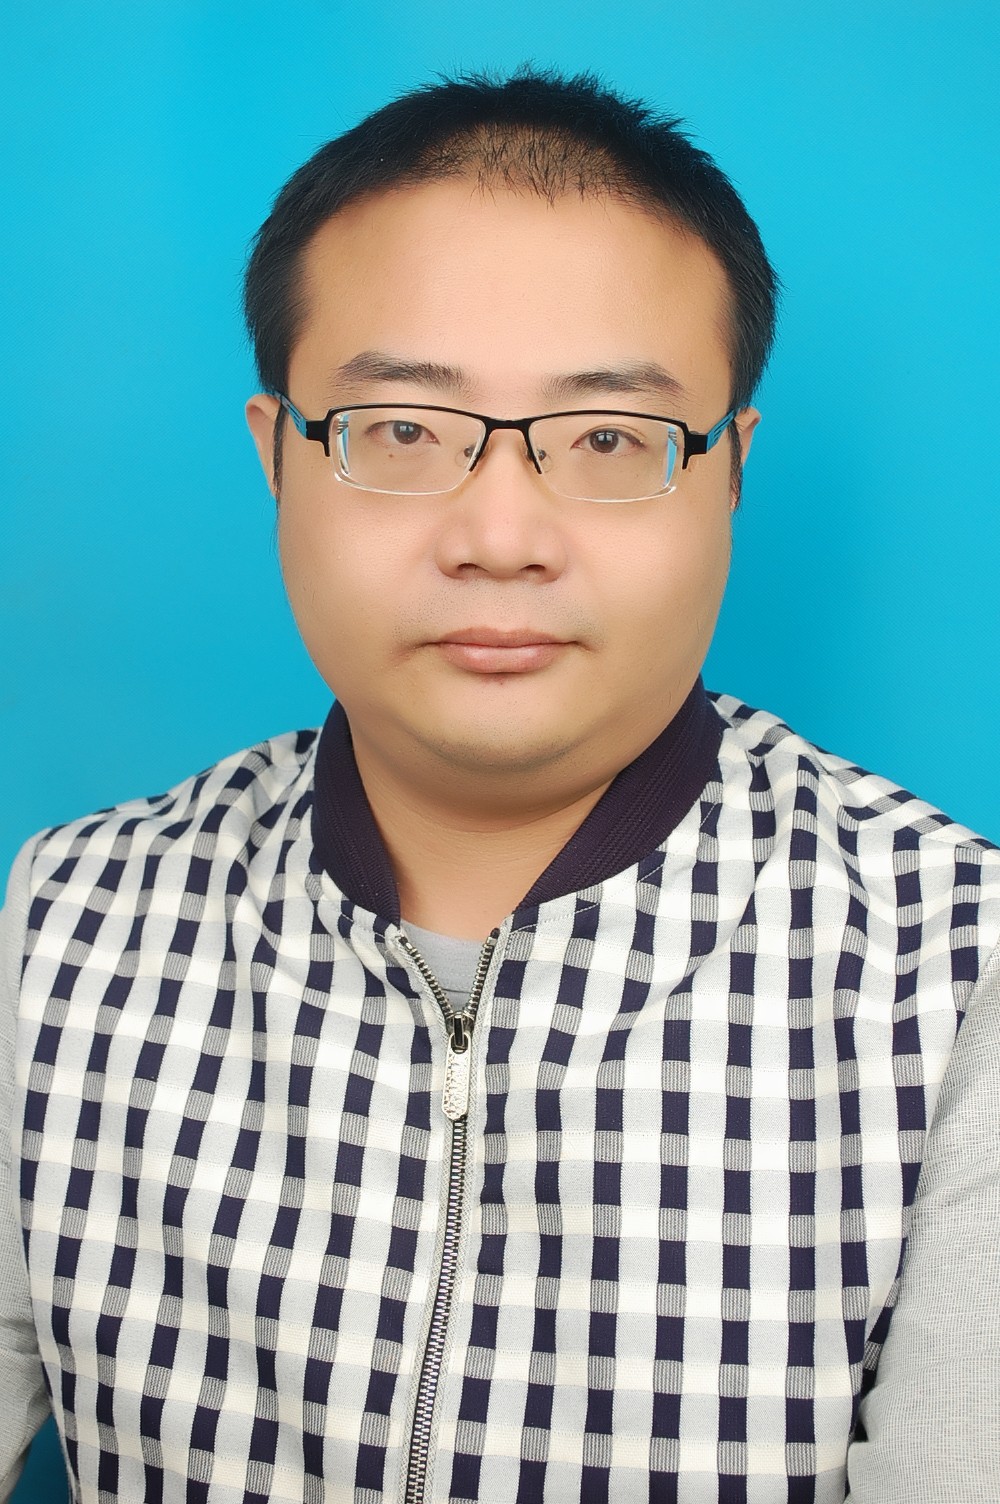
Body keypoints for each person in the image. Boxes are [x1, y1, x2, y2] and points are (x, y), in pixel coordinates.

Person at [1, 67, 997, 1504]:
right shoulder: (70, 925)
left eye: (611, 441)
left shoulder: (955, 970)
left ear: (730, 473)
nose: (503, 535)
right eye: (404, 430)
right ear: (278, 457)